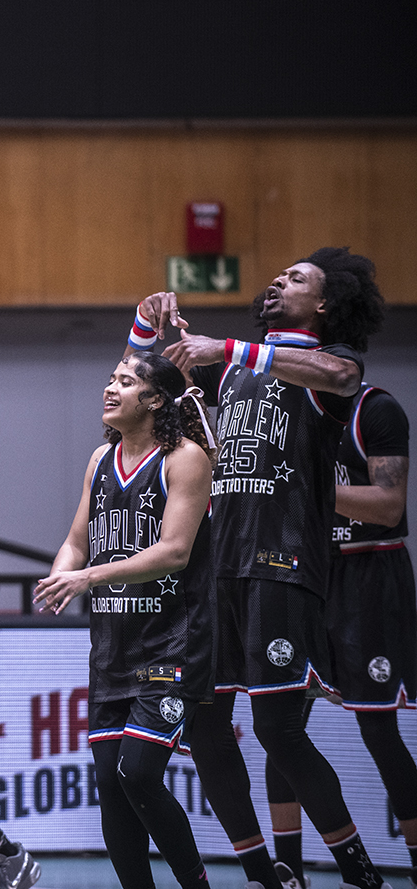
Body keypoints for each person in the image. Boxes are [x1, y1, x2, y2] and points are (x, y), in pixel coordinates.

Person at [131, 246, 389, 889]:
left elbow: (339, 375)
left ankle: (358, 870)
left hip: (283, 564)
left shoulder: (329, 363)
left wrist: (227, 348)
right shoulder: (235, 368)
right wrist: (147, 327)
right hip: (219, 568)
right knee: (206, 726)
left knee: (277, 729)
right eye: (278, 274)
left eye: (295, 278)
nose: (278, 280)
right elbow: (138, 385)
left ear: (324, 304)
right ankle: (262, 875)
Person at [34, 352, 216, 889]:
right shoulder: (100, 459)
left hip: (171, 643)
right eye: (111, 379)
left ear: (155, 399)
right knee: (112, 790)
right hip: (112, 647)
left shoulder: (184, 458)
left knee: (137, 773)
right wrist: (60, 575)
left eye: (127, 381)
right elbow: (76, 542)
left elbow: (175, 551)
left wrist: (87, 577)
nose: (110, 388)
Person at [264, 384, 417, 889]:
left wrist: (302, 485)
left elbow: (389, 506)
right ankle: (289, 870)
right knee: (281, 728)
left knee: (379, 731)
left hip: (369, 574)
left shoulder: (374, 409)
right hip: (303, 571)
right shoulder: (279, 409)